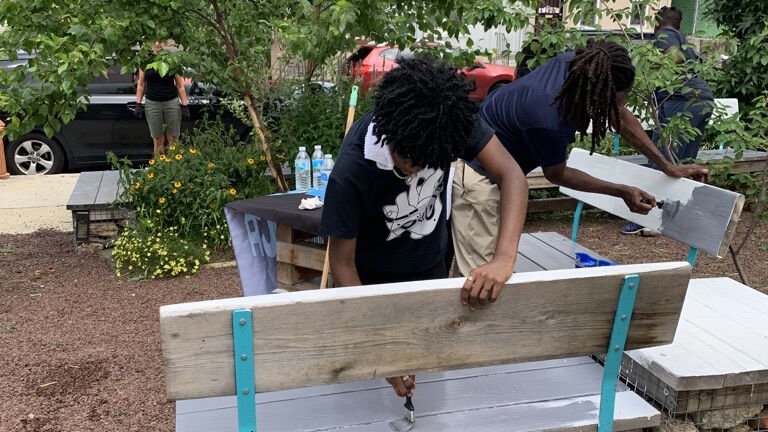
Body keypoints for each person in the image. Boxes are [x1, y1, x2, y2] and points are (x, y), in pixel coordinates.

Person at [320, 56, 528, 398]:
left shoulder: (445, 120)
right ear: (391, 137)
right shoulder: (352, 170)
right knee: (369, 391)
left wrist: (504, 258)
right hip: (371, 283)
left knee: (430, 381)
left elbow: (513, 176)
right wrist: (380, 346)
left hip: (430, 266)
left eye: (428, 162)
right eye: (408, 161)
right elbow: (342, 264)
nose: (417, 170)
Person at [451, 39, 710, 276]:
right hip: (477, 177)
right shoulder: (548, 116)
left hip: (499, 170)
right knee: (481, 279)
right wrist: (621, 191)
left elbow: (618, 114)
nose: (621, 106)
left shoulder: (577, 65)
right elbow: (557, 174)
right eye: (618, 100)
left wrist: (667, 166)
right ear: (599, 95)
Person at [620, 7, 715, 236]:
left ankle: (650, 219)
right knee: (686, 160)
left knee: (662, 159)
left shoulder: (666, 34)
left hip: (681, 101)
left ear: (656, 23)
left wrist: (653, 68)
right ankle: (682, 217)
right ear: (680, 24)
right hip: (701, 101)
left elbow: (672, 58)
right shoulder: (685, 40)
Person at [134, 41, 190, 154]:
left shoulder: (172, 60)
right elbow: (140, 84)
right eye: (154, 41)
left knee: (173, 138)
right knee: (158, 139)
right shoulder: (145, 61)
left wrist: (185, 106)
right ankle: (159, 168)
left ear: (164, 44)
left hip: (171, 102)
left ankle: (175, 168)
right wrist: (138, 104)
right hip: (152, 103)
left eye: (160, 41)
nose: (157, 44)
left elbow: (180, 86)